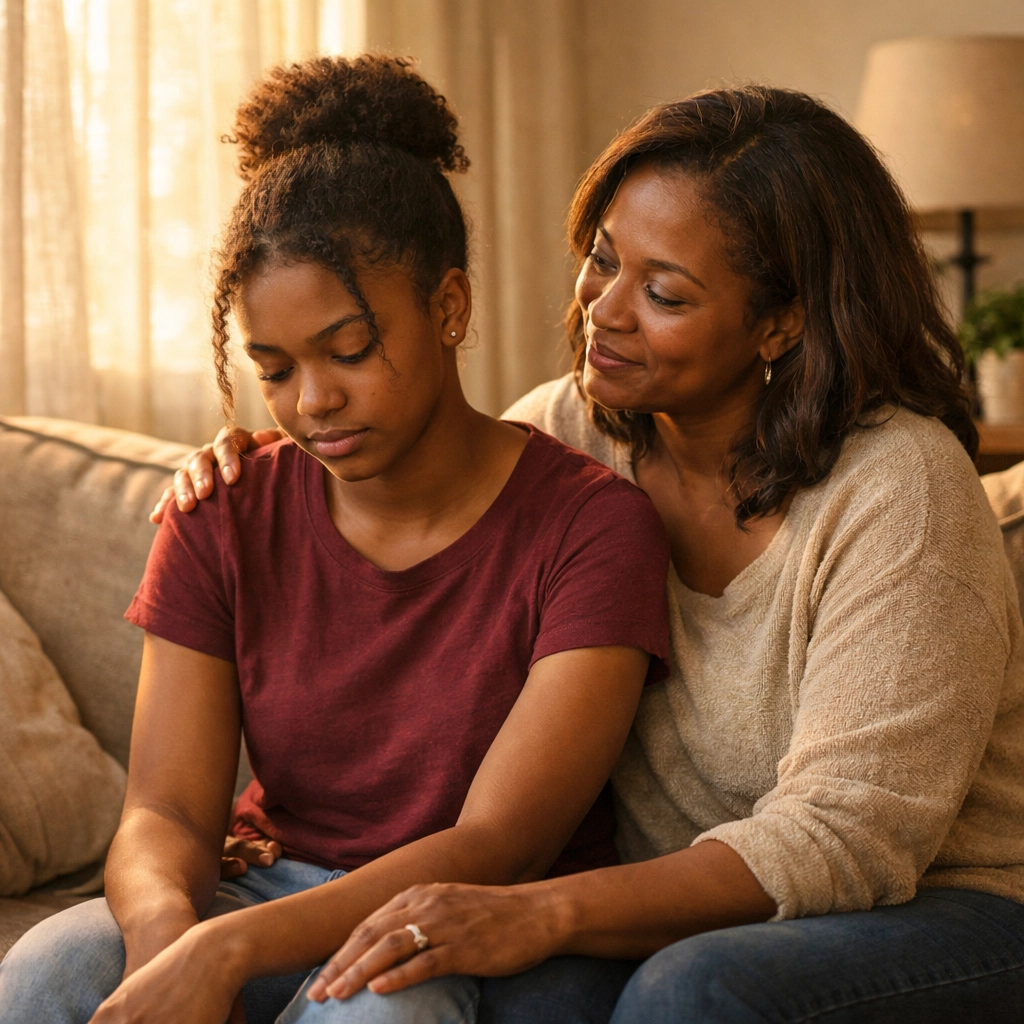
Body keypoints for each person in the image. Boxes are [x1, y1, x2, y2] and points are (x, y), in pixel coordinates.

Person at [164, 85, 1024, 1023]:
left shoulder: (901, 488)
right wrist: (258, 461)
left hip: (935, 907)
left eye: (663, 294)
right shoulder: (570, 430)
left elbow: (847, 838)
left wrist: (544, 912)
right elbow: (427, 480)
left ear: (782, 321)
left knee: (692, 992)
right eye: (603, 261)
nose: (604, 310)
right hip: (661, 905)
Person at [0, 55, 674, 1024]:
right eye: (274, 369)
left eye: (349, 351)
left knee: (376, 1012)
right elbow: (167, 810)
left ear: (449, 307)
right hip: (275, 884)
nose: (312, 401)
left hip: (477, 919)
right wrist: (164, 941)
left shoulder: (593, 527)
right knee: (53, 968)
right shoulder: (224, 509)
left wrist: (226, 948)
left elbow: (499, 843)